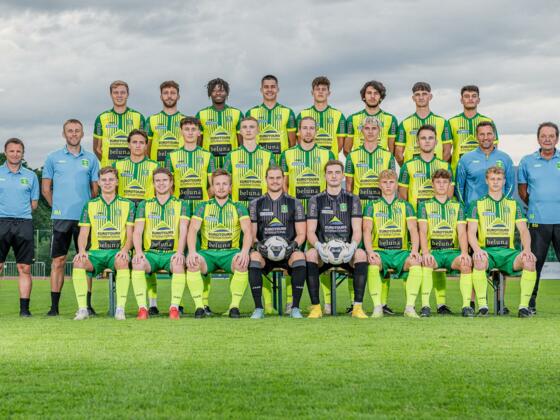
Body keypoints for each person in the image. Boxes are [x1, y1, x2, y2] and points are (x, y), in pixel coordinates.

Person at [42, 119, 99, 316]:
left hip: (85, 220)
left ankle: (87, 306)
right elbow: (46, 189)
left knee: (85, 260)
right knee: (58, 261)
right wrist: (58, 207)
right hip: (61, 218)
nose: (73, 134)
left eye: (77, 131)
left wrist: (87, 209)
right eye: (70, 131)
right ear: (63, 134)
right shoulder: (52, 158)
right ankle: (54, 307)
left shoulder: (91, 159)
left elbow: (95, 189)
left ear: (82, 134)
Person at [281, 116, 335, 313]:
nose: (308, 131)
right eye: (305, 128)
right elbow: (284, 184)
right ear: (298, 131)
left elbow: (332, 181)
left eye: (312, 128)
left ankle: (327, 302)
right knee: (291, 255)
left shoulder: (326, 153)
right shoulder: (287, 154)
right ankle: (290, 301)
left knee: (325, 255)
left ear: (316, 131)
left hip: (320, 214)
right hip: (295, 215)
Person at [398, 124, 454, 313]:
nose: (427, 141)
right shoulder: (408, 166)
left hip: (438, 222)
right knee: (413, 259)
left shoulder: (445, 166)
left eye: (430, 138)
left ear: (436, 141)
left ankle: (441, 304)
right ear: (417, 141)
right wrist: (410, 220)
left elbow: (449, 194)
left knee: (435, 258)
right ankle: (412, 303)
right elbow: (403, 195)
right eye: (423, 138)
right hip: (415, 222)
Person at [467, 166, 537, 318]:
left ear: (504, 181)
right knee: (479, 260)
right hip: (487, 252)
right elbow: (471, 232)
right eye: (492, 179)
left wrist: (527, 249)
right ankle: (483, 307)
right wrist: (477, 250)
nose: (495, 182)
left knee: (530, 261)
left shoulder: (513, 204)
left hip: (508, 254)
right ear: (487, 181)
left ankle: (523, 308)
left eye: (499, 179)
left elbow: (524, 230)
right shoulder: (476, 204)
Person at [305, 160, 369, 319]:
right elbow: (310, 231)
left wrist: (352, 247)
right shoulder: (315, 200)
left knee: (361, 254)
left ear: (342, 176)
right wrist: (319, 246)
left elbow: (357, 230)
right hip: (324, 252)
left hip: (346, 252)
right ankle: (316, 308)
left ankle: (357, 308)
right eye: (330, 173)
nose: (333, 176)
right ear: (325, 176)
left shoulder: (353, 199)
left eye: (337, 172)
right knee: (310, 255)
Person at [166, 116, 216, 315]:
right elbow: (168, 186)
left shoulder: (207, 156)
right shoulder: (172, 156)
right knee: (178, 257)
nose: (190, 132)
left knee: (200, 256)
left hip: (201, 213)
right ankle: (176, 303)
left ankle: (204, 303)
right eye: (186, 129)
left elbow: (212, 186)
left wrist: (204, 204)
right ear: (181, 132)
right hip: (179, 214)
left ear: (199, 132)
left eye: (193, 129)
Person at [186, 169, 253, 318]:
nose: (221, 187)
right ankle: (199, 307)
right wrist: (192, 252)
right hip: (207, 254)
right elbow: (192, 230)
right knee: (193, 262)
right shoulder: (203, 206)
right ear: (212, 187)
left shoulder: (238, 207)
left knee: (241, 262)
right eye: (217, 184)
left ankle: (234, 307)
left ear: (230, 187)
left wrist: (244, 252)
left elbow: (248, 231)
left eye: (224, 184)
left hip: (230, 253)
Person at [72, 167, 134, 320]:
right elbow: (83, 233)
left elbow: (131, 234)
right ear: (98, 182)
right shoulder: (90, 205)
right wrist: (81, 250)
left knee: (122, 260)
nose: (107, 183)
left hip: (116, 252)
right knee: (79, 262)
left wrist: (125, 250)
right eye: (104, 180)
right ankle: (83, 309)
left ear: (117, 182)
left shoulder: (128, 204)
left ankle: (120, 309)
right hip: (96, 254)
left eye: (111, 179)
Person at [131, 168, 190, 320]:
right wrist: (139, 252)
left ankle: (174, 308)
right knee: (137, 263)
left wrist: (180, 252)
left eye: (164, 180)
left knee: (178, 264)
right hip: (150, 254)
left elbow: (183, 230)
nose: (161, 183)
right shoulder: (144, 205)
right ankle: (142, 309)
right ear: (153, 183)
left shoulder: (182, 204)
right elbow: (137, 232)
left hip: (171, 254)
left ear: (171, 183)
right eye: (157, 180)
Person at [248, 166, 307, 319]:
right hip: (265, 252)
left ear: (283, 179)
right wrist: (257, 245)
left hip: (287, 252)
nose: (275, 181)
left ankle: (295, 308)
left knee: (300, 257)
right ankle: (258, 308)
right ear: (266, 180)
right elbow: (251, 234)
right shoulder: (255, 204)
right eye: (271, 178)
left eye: (278, 178)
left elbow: (301, 233)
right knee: (254, 257)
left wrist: (292, 246)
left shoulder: (295, 203)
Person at [362, 169, 423, 318]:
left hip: (401, 253)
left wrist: (415, 250)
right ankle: (377, 307)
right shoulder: (371, 206)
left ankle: (409, 307)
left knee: (415, 263)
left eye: (391, 182)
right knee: (373, 263)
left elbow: (413, 230)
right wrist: (370, 252)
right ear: (379, 185)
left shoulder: (406, 206)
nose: (388, 185)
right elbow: (366, 230)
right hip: (380, 251)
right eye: (384, 182)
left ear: (396, 185)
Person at [417, 169, 473, 317]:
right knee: (427, 262)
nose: (441, 185)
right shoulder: (424, 205)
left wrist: (464, 253)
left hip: (452, 253)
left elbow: (462, 232)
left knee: (466, 264)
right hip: (433, 252)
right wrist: (425, 252)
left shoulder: (458, 206)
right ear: (432, 184)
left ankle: (466, 306)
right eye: (438, 182)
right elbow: (422, 231)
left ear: (449, 185)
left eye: (445, 182)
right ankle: (425, 306)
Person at [518, 122, 560, 314]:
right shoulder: (527, 161)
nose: (547, 139)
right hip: (537, 221)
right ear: (538, 138)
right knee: (533, 263)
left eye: (551, 136)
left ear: (557, 139)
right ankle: (529, 303)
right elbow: (523, 191)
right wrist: (538, 203)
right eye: (543, 136)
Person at [0, 138, 39, 316]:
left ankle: (24, 310)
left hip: (24, 223)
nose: (15, 154)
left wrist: (19, 212)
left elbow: (34, 203)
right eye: (12, 151)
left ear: (23, 154)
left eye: (18, 151)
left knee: (24, 268)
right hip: (1, 222)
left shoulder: (31, 176)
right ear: (5, 152)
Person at [456, 121, 514, 206]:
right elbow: (459, 188)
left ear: (494, 136)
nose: (486, 137)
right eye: (482, 134)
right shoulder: (465, 159)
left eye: (489, 134)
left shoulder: (505, 158)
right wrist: (465, 208)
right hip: (473, 211)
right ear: (476, 136)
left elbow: (510, 186)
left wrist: (501, 206)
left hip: (498, 210)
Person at [394, 82, 452, 166]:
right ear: (413, 98)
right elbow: (398, 153)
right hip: (413, 172)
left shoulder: (442, 122)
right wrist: (407, 168)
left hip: (436, 171)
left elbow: (447, 151)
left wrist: (439, 168)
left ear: (430, 97)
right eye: (417, 94)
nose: (421, 97)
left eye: (424, 94)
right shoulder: (404, 123)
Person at [224, 117, 275, 207]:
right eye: (244, 127)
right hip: (238, 207)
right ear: (240, 131)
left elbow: (274, 182)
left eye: (252, 127)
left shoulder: (268, 154)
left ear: (258, 130)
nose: (248, 130)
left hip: (263, 206)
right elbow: (224, 182)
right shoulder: (231, 155)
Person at [93, 80, 145, 167]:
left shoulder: (139, 117)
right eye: (116, 93)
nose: (119, 95)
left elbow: (144, 145)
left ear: (127, 94)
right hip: (109, 171)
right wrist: (108, 164)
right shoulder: (101, 118)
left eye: (123, 92)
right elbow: (96, 148)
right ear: (111, 95)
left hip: (131, 169)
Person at [246, 75, 297, 160]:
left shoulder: (288, 112)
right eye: (266, 87)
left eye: (273, 87)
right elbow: (247, 139)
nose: (269, 90)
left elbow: (292, 143)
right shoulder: (251, 113)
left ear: (277, 89)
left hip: (280, 162)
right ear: (261, 90)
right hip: (258, 160)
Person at [345, 116, 396, 202]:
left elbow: (392, 185)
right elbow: (349, 186)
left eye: (374, 128)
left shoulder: (388, 156)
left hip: (380, 206)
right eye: (367, 128)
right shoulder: (352, 156)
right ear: (362, 130)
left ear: (379, 130)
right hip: (359, 206)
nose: (370, 132)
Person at [448, 85, 499, 172]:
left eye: (474, 96)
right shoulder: (451, 122)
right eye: (467, 96)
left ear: (478, 100)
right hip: (458, 170)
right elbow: (447, 150)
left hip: (482, 170)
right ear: (461, 100)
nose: (470, 99)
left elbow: (494, 147)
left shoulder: (488, 121)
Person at [196, 78, 243, 168]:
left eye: (221, 90)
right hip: (209, 164)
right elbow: (198, 142)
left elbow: (242, 142)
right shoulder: (201, 114)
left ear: (227, 93)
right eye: (214, 91)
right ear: (210, 93)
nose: (218, 93)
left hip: (232, 163)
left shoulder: (237, 113)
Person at [344, 80, 398, 155]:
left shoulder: (391, 119)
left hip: (381, 161)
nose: (372, 96)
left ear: (381, 97)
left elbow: (392, 151)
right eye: (369, 93)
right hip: (359, 161)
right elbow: (346, 150)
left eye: (376, 93)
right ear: (364, 96)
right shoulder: (352, 119)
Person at [296, 76, 345, 157]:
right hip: (310, 159)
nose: (320, 92)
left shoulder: (338, 115)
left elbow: (340, 145)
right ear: (312, 92)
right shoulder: (302, 114)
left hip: (331, 161)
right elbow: (300, 141)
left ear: (329, 93)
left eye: (324, 89)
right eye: (317, 89)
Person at [146, 81, 186, 165]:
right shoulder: (151, 120)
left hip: (179, 168)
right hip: (157, 169)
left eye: (173, 93)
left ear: (178, 96)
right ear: (161, 97)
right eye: (165, 93)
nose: (169, 96)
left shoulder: (186, 120)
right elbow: (146, 149)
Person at [113, 129, 158, 205]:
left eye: (141, 142)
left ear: (146, 146)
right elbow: (112, 190)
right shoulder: (117, 165)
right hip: (123, 209)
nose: (138, 146)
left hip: (146, 209)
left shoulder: (155, 166)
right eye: (134, 142)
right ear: (128, 145)